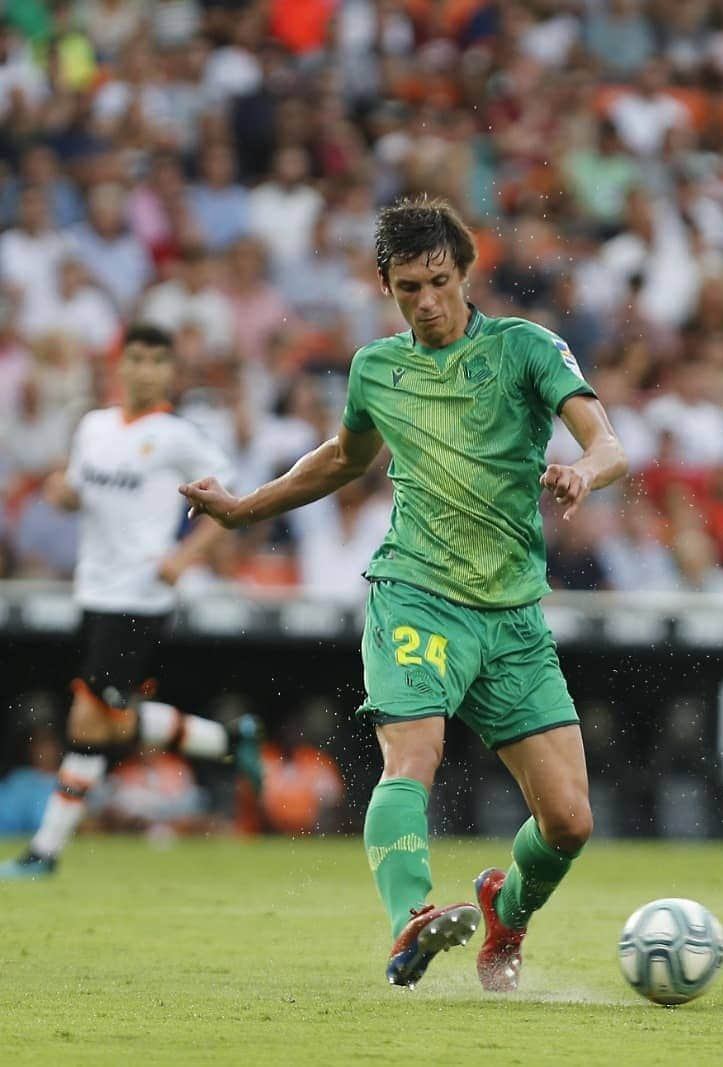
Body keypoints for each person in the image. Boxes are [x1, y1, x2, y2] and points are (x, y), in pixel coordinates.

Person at [179, 196, 627, 990]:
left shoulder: (526, 348)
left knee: (568, 821)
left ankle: (505, 913)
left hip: (513, 616)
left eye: (437, 281)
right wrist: (243, 509)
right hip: (415, 593)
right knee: (411, 755)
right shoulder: (376, 369)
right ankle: (410, 918)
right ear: (385, 287)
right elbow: (342, 459)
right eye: (406, 288)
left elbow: (606, 440)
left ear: (465, 272)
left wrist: (582, 472)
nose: (424, 302)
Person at [0, 324, 263, 880]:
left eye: (156, 360)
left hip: (140, 596)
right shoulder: (93, 427)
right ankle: (226, 740)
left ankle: (44, 852)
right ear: (120, 365)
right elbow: (75, 492)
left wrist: (185, 557)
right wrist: (61, 494)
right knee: (111, 719)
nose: (144, 370)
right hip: (92, 590)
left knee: (88, 719)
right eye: (135, 359)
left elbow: (232, 502)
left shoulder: (177, 436)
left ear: (171, 371)